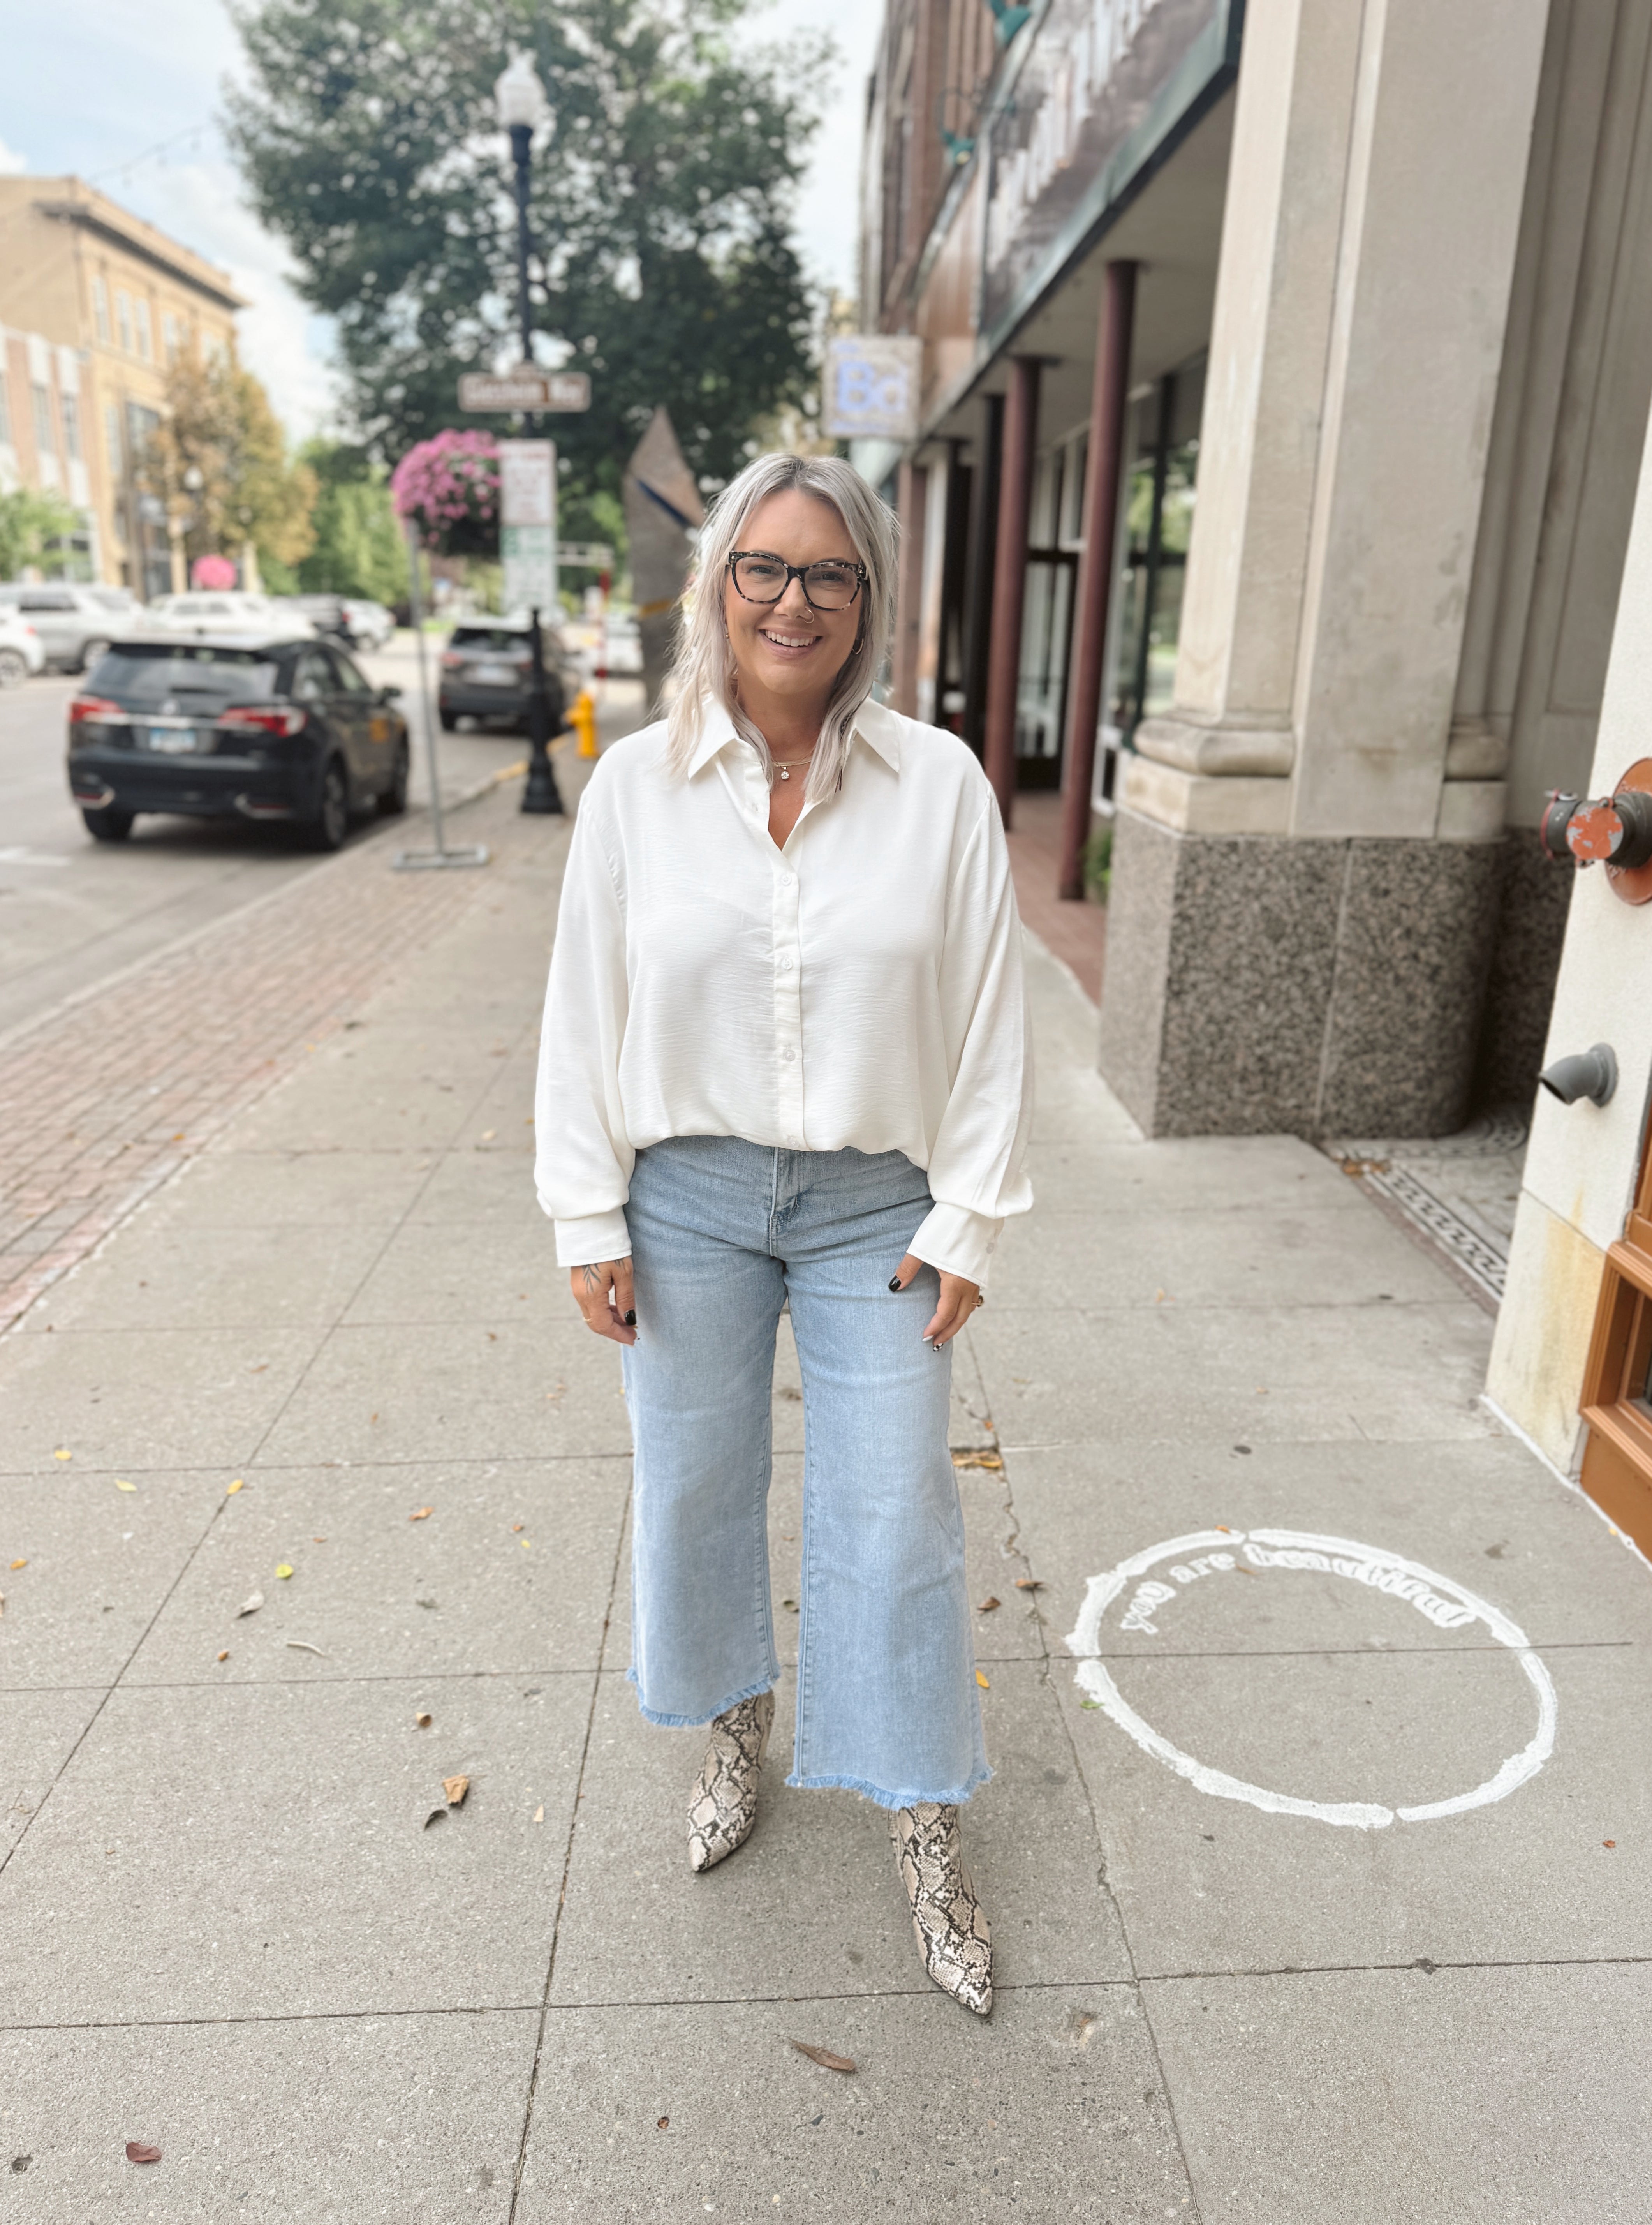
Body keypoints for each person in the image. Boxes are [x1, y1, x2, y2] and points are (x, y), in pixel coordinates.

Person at [534, 451, 1032, 2016]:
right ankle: (733, 1728)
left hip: (876, 1205)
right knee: (693, 1490)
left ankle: (921, 1815)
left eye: (829, 572)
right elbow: (581, 1011)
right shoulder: (635, 788)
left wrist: (970, 1215)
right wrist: (583, 1210)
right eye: (763, 566)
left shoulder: (937, 785)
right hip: (683, 1197)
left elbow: (991, 1018)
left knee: (895, 1515)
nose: (793, 600)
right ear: (717, 584)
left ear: (868, 598)